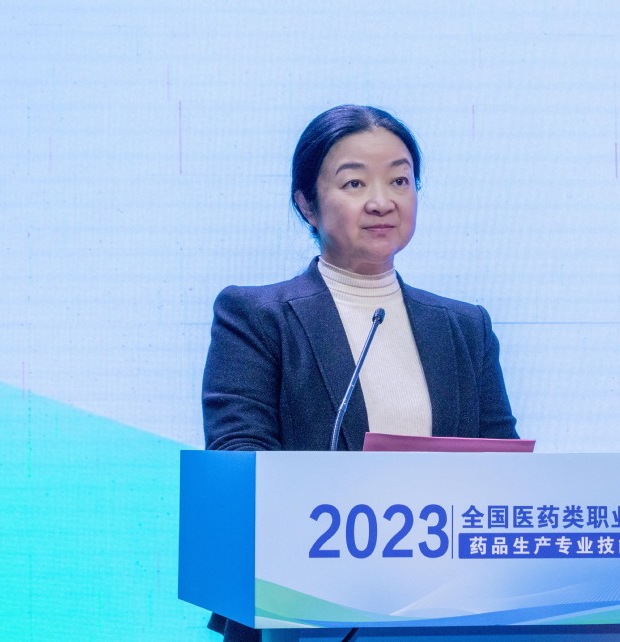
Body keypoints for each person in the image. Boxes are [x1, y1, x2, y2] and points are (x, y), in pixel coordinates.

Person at [202, 105, 518, 641]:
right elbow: (239, 459)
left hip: (445, 613)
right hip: (301, 614)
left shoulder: (465, 327)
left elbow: (506, 472)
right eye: (354, 182)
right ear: (306, 203)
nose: (381, 201)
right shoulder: (256, 316)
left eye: (400, 180)